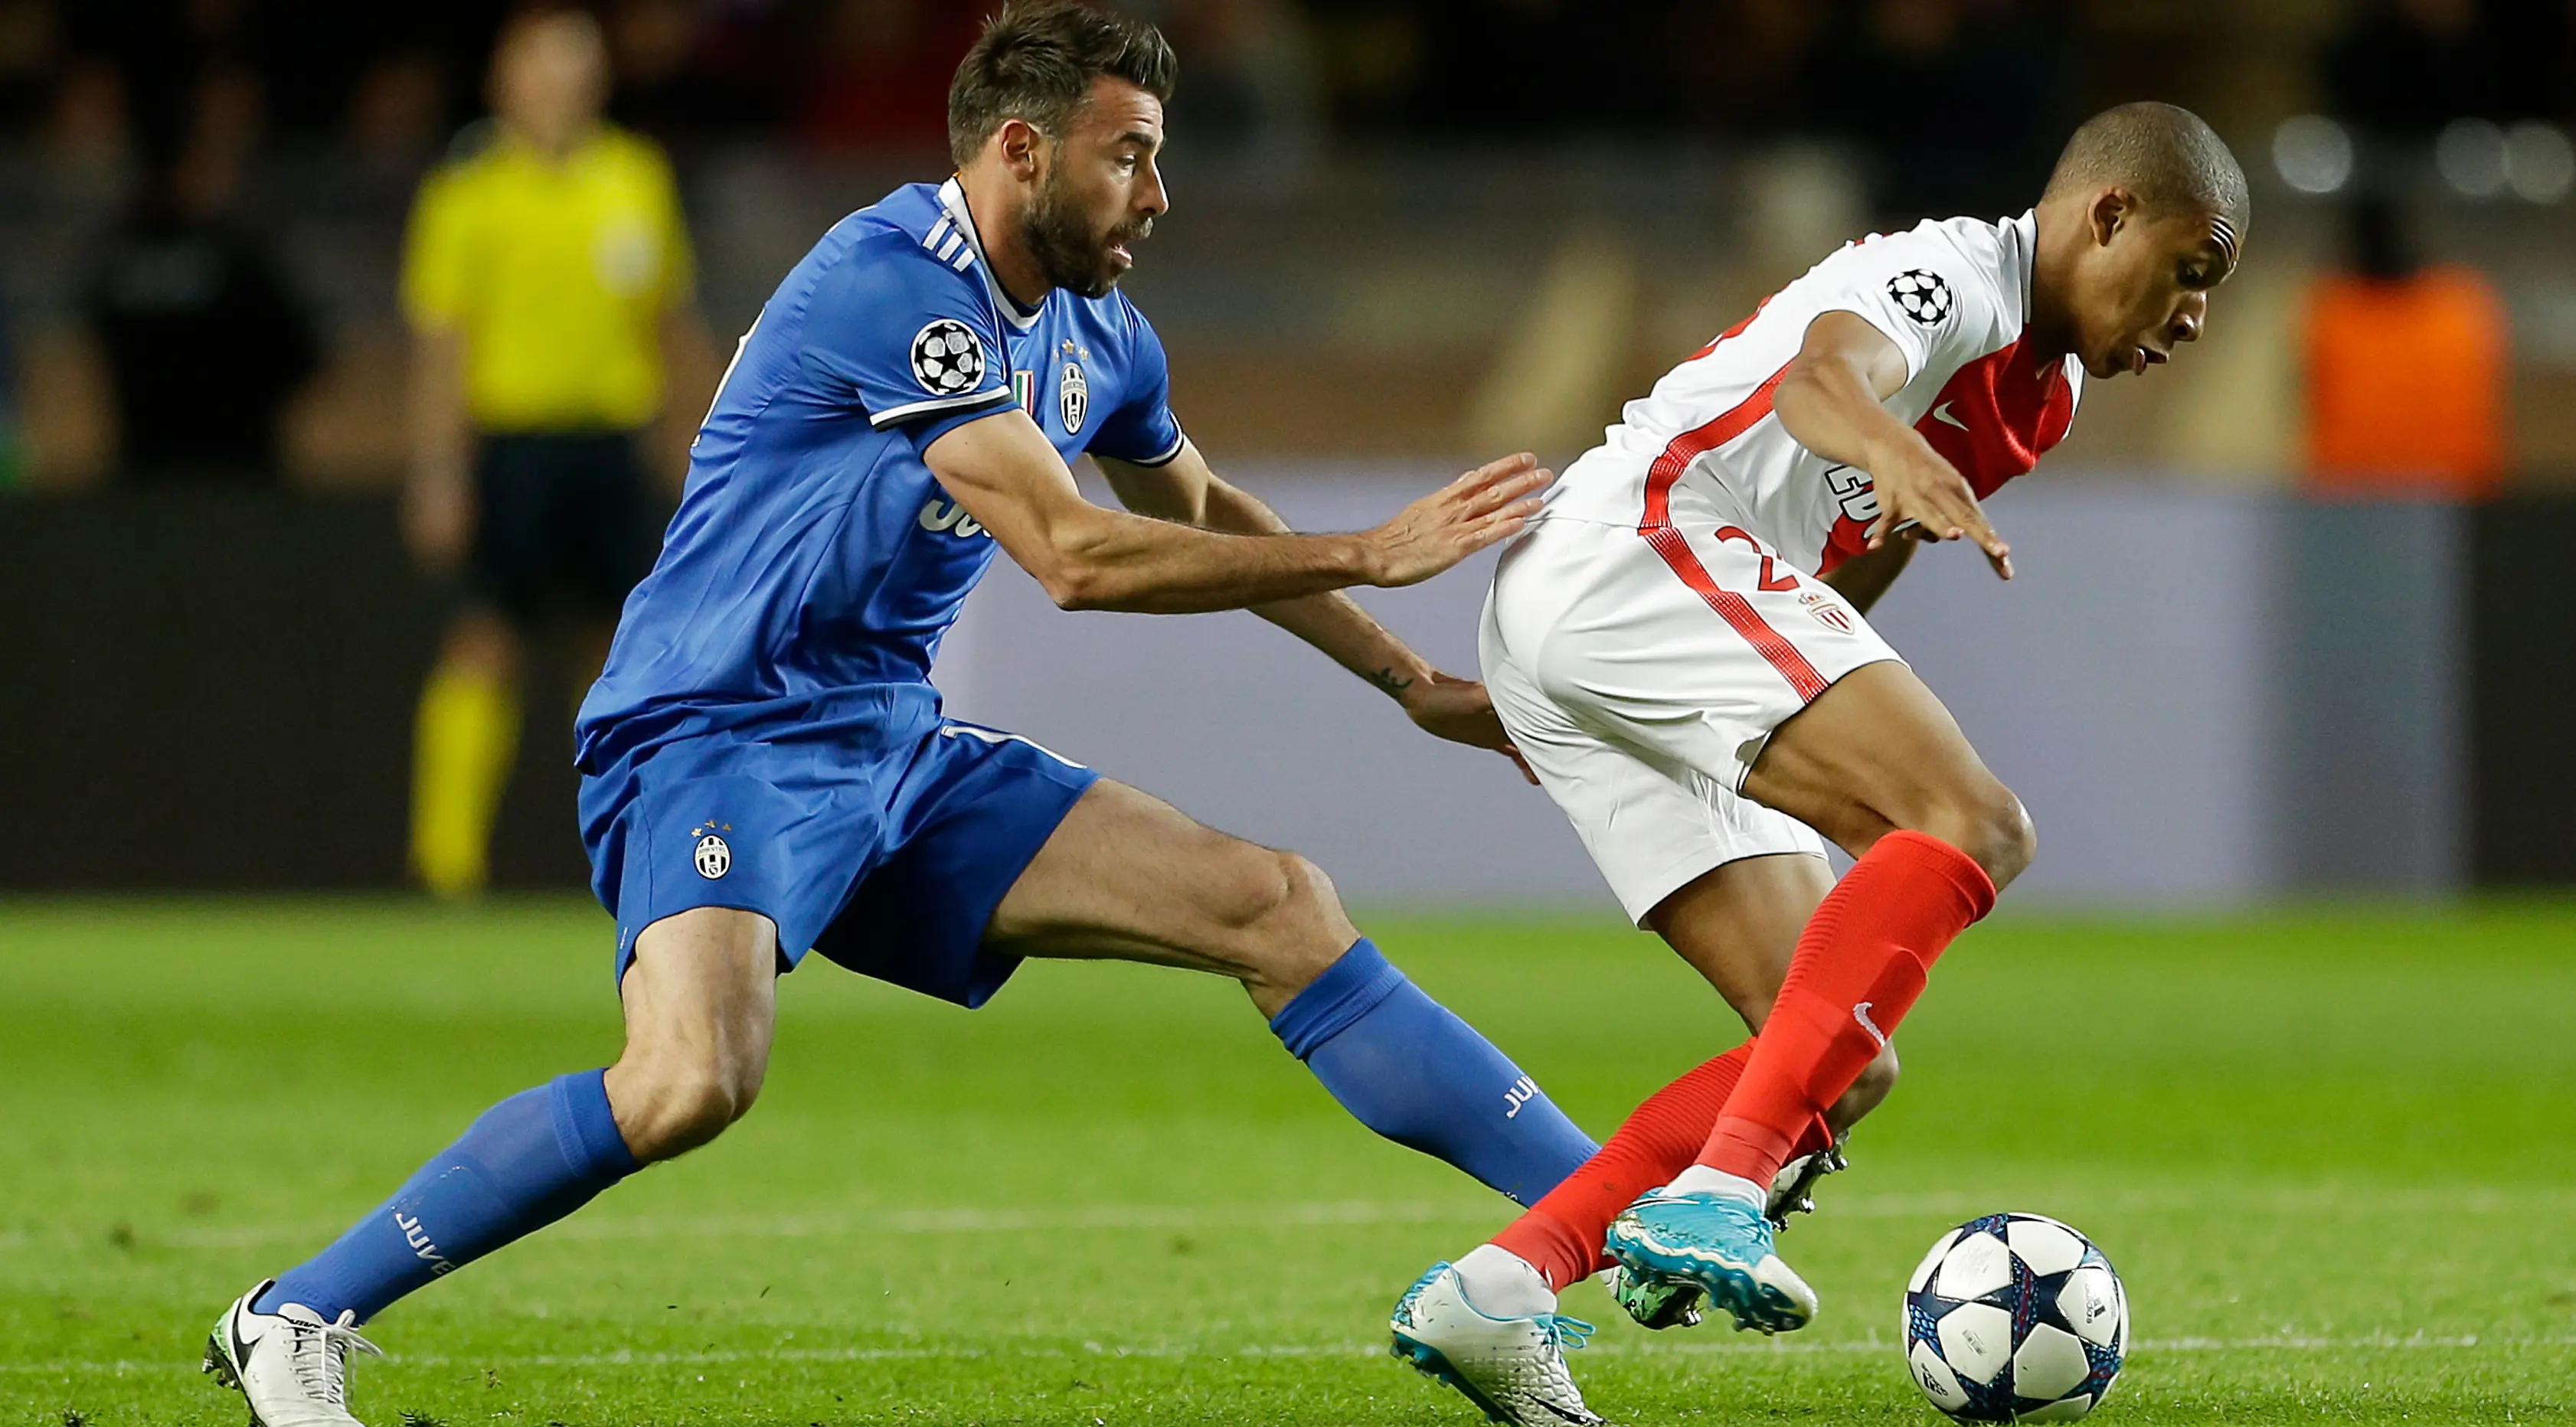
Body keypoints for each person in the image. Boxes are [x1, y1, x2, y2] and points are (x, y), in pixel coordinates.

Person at [204, 8, 1599, 1425]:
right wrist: (1367, 547)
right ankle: (296, 1309)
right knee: (689, 1079)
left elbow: (1198, 510)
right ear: (1019, 151)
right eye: (1128, 158)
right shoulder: (890, 282)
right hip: (715, 728)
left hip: (886, 742)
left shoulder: (1098, 332)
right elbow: (1069, 556)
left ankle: (1611, 1209)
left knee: (1277, 903)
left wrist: (1404, 678)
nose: (1157, 196)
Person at [1388, 101, 2247, 1425]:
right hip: (1640, 544)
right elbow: (1816, 384)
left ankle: (1501, 1285)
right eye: (2189, 272)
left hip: (1630, 625)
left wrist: (1751, 703)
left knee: (1835, 1058)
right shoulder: (1954, 273)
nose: (2190, 319)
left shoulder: (2047, 389)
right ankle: (1722, 1193)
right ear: (2106, 215)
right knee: (1977, 820)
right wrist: (1895, 452)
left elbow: (1862, 558)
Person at [400, 9, 708, 898]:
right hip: (513, 446)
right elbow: (442, 345)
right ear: (505, 83)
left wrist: (695, 445)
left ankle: (635, 849)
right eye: (539, 71)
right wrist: (438, 471)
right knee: (486, 638)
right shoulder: (467, 194)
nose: (556, 89)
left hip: (610, 442)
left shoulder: (634, 177)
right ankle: (445, 862)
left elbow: (668, 322)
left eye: (573, 71)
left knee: (620, 652)